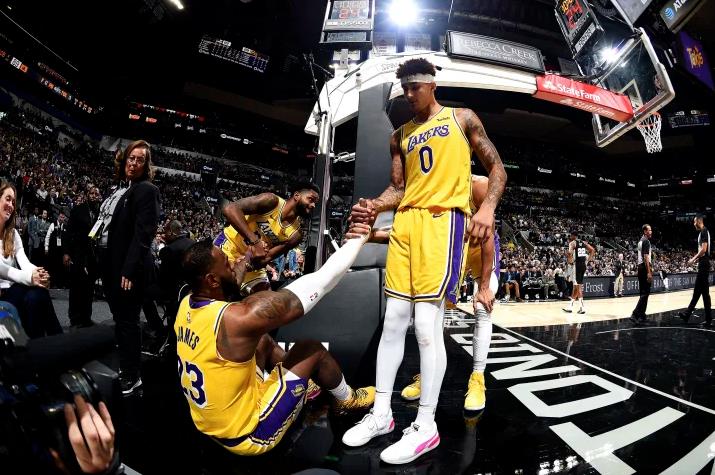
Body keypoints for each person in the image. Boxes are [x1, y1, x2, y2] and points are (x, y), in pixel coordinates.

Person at [343, 58, 506, 464]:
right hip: (406, 224)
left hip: (444, 221)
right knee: (394, 321)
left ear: (432, 85)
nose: (408, 93)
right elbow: (398, 189)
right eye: (404, 87)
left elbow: (497, 169)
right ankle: (382, 413)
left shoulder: (462, 118)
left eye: (415, 86)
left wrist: (487, 209)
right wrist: (374, 204)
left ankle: (426, 425)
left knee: (426, 326)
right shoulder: (399, 136)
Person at [176, 233, 374, 456]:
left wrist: (247, 258)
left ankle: (303, 386)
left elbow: (231, 281)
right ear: (212, 280)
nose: (231, 263)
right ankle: (347, 400)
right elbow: (322, 281)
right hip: (249, 434)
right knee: (311, 350)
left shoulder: (187, 303)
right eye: (226, 263)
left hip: (214, 425)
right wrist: (359, 239)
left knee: (261, 339)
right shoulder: (237, 319)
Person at [353, 175, 499, 412]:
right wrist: (372, 235)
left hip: (479, 251)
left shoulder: (477, 186)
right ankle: (428, 376)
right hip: (450, 249)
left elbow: (488, 237)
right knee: (433, 312)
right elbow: (408, 234)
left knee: (483, 307)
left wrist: (483, 287)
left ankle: (477, 379)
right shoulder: (425, 186)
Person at [102, 140, 161, 395]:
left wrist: (129, 269)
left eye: (140, 160)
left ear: (146, 166)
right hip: (112, 264)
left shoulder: (146, 189)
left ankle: (132, 375)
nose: (134, 163)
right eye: (131, 158)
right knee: (121, 319)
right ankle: (126, 366)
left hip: (127, 268)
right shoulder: (121, 189)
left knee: (128, 321)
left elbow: (143, 233)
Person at [215, 183, 318, 296]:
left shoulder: (296, 235)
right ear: (297, 195)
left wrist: (246, 264)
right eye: (311, 199)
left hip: (251, 261)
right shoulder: (271, 201)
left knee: (267, 300)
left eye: (315, 203)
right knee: (219, 289)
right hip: (229, 246)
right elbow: (230, 209)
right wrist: (255, 241)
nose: (313, 205)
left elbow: (268, 257)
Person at [0, 181, 62, 338]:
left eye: (13, 202)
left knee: (37, 294)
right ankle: (56, 341)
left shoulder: (13, 233)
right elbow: (3, 270)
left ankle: (49, 343)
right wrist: (30, 278)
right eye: (8, 199)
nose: (11, 205)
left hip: (12, 290)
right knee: (35, 291)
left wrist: (39, 274)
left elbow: (24, 262)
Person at [66, 186, 102, 329]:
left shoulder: (100, 213)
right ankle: (75, 318)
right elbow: (69, 231)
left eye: (96, 194)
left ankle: (86, 317)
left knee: (89, 288)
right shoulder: (78, 209)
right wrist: (66, 252)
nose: (94, 196)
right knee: (76, 286)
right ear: (87, 195)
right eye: (91, 193)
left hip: (92, 255)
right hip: (78, 253)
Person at [158, 219, 195, 330]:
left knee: (145, 295)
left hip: (174, 293)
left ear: (170, 232)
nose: (164, 235)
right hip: (193, 289)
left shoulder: (169, 250)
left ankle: (157, 328)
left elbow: (163, 278)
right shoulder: (193, 244)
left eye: (165, 232)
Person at [679, 215, 711, 326]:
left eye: (694, 222)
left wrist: (693, 259)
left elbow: (704, 250)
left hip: (704, 263)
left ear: (698, 221)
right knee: (700, 292)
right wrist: (697, 260)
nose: (693, 224)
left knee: (701, 292)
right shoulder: (703, 231)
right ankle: (688, 314)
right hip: (703, 262)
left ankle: (692, 315)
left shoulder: (703, 231)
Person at [562, 231, 595, 315]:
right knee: (575, 286)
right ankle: (570, 307)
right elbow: (592, 250)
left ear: (573, 236)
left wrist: (569, 261)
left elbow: (570, 254)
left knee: (578, 287)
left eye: (571, 236)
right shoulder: (583, 242)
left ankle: (582, 307)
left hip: (576, 266)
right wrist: (587, 261)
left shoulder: (572, 243)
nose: (570, 237)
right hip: (583, 265)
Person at [630, 224, 653, 325]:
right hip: (644, 268)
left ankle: (642, 316)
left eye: (651, 230)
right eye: (649, 230)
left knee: (643, 293)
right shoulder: (646, 241)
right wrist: (649, 272)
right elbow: (646, 257)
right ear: (645, 231)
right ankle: (635, 314)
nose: (651, 232)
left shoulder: (640, 241)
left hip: (640, 268)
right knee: (645, 293)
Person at [44, 210, 68, 288]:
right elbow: (47, 237)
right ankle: (52, 283)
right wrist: (46, 247)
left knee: (61, 267)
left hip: (61, 250)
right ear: (58, 217)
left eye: (63, 217)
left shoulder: (65, 226)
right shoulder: (52, 224)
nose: (62, 218)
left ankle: (60, 283)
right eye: (60, 217)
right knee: (53, 266)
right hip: (53, 249)